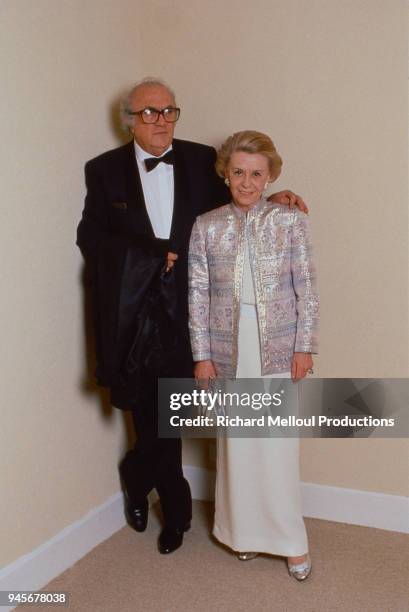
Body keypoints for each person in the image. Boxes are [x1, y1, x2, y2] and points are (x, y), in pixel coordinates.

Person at [77, 78, 308, 555]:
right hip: (136, 314)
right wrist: (147, 258)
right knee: (147, 410)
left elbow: (243, 192)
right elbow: (91, 239)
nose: (160, 121)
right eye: (148, 113)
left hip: (193, 311)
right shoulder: (102, 171)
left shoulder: (203, 159)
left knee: (175, 410)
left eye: (168, 111)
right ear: (129, 119)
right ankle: (156, 494)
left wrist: (282, 197)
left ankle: (158, 495)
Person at [188, 130, 319, 579]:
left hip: (278, 345)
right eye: (239, 172)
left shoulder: (289, 221)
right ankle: (242, 533)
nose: (247, 183)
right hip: (227, 347)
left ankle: (290, 541)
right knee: (237, 445)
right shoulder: (206, 225)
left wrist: (304, 346)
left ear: (270, 177)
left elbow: (307, 290)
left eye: (256, 174)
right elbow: (198, 295)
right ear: (226, 173)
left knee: (277, 446)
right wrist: (202, 355)